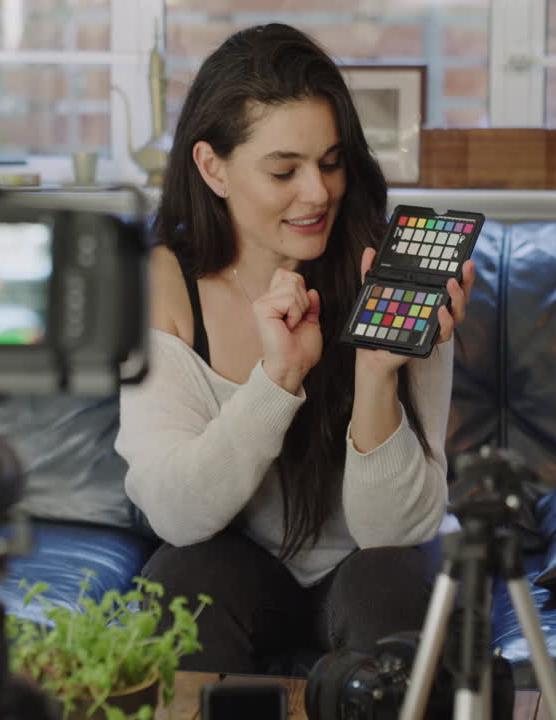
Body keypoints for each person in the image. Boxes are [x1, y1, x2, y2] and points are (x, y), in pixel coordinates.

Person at [114, 23, 475, 673]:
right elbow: (176, 513)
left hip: (377, 564)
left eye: (331, 162)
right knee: (181, 582)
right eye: (285, 170)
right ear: (212, 167)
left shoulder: (393, 271)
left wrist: (376, 371)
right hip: (240, 566)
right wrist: (277, 378)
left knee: (383, 590)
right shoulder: (165, 283)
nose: (318, 193)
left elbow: (391, 534)